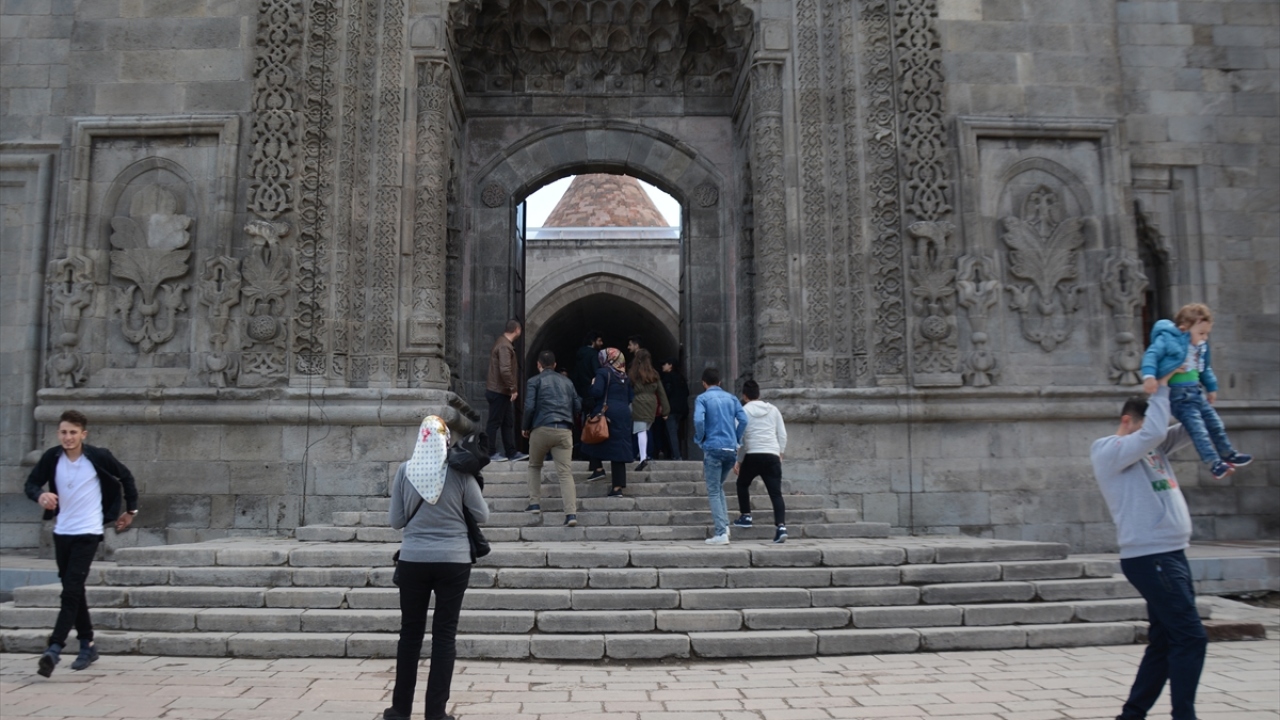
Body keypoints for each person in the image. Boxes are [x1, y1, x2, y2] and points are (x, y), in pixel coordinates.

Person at [1091, 379, 1206, 720]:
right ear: (1128, 420)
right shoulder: (1108, 450)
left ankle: (1132, 715)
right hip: (1150, 557)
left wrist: (1196, 392)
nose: (1152, 433)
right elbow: (1153, 432)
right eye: (1147, 426)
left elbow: (1191, 429)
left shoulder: (1153, 445)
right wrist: (1162, 389)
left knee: (1167, 639)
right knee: (1191, 638)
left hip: (1173, 553)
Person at [386, 416, 490, 720]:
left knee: (410, 635)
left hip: (414, 560)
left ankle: (399, 710)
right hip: (454, 562)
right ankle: (436, 713)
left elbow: (396, 522)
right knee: (444, 636)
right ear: (445, 441)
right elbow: (482, 515)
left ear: (421, 439)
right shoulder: (459, 472)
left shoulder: (405, 471)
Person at [24, 409, 139, 677]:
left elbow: (127, 477)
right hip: (61, 531)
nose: (68, 437)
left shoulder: (97, 457)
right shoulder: (52, 457)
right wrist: (40, 496)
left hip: (88, 531)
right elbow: (30, 484)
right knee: (73, 590)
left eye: (73, 432)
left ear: (83, 434)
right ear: (58, 433)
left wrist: (130, 511)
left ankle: (54, 648)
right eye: (64, 432)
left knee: (71, 590)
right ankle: (87, 644)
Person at [1141, 303, 1250, 481]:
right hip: (1179, 396)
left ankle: (1227, 453)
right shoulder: (1168, 338)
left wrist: (1212, 388)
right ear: (1184, 328)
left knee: (1215, 423)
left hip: (1196, 392)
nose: (1204, 338)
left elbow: (1204, 369)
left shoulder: (1200, 347)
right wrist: (1149, 376)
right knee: (1198, 430)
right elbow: (1151, 354)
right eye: (1201, 333)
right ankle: (1213, 463)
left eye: (1206, 333)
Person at [522, 350, 582, 526]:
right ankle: (571, 514)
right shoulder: (567, 382)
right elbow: (578, 405)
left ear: (538, 365)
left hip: (541, 428)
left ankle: (534, 503)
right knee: (565, 473)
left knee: (534, 466)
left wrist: (525, 426)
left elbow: (529, 406)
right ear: (555, 365)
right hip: (564, 430)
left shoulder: (534, 381)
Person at [692, 368, 747, 545]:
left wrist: (700, 437)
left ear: (704, 383)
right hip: (730, 449)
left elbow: (699, 420)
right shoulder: (731, 398)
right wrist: (736, 438)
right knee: (719, 487)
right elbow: (744, 420)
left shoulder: (702, 398)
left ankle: (721, 532)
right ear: (720, 382)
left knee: (714, 490)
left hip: (714, 447)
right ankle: (725, 526)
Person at [732, 379, 789, 543]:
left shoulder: (743, 411)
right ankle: (781, 527)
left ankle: (746, 516)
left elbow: (740, 438)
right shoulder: (773, 410)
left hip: (753, 454)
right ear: (759, 394)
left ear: (744, 396)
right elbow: (782, 434)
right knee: (776, 493)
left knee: (742, 484)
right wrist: (780, 452)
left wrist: (739, 460)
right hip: (771, 454)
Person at [582, 347, 634, 497]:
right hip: (623, 413)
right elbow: (631, 397)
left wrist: (592, 385)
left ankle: (597, 469)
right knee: (619, 448)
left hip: (606, 411)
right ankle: (617, 487)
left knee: (595, 435)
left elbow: (597, 392)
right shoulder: (625, 376)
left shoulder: (603, 373)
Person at [485, 319, 528, 463]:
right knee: (494, 422)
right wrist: (513, 388)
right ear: (517, 329)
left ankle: (511, 452)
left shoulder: (503, 343)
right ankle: (490, 452)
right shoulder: (504, 346)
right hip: (499, 391)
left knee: (507, 423)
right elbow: (505, 369)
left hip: (501, 391)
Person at [628, 349, 669, 472]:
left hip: (639, 403)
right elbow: (661, 393)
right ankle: (644, 455)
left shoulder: (633, 374)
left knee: (640, 431)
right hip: (652, 404)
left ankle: (643, 457)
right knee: (645, 429)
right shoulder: (654, 374)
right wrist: (666, 410)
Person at [657, 359, 690, 460]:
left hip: (671, 408)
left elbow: (666, 393)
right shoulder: (681, 378)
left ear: (670, 365)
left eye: (665, 363)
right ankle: (674, 454)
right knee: (673, 431)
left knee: (671, 432)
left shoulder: (668, 377)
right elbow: (687, 392)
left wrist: (663, 406)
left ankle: (676, 455)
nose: (663, 366)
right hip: (681, 409)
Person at [573, 331, 603, 400]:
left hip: (580, 390)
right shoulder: (594, 354)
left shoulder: (579, 353)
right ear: (593, 341)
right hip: (591, 389)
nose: (601, 343)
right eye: (599, 341)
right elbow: (597, 371)